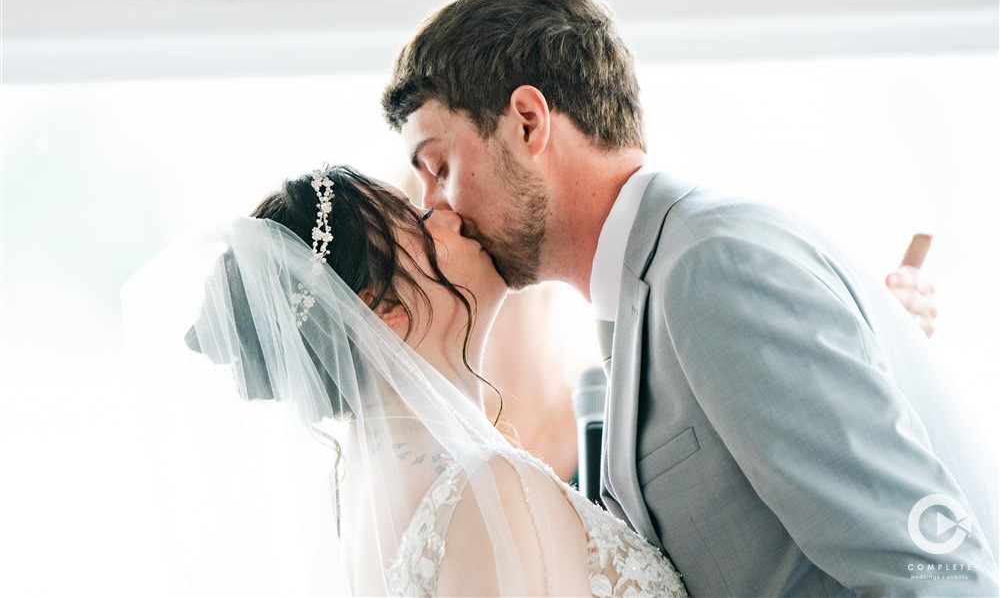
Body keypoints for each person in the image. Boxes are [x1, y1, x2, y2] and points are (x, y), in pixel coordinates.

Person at [382, 0, 998, 596]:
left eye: (439, 168)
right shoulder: (652, 287)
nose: (438, 210)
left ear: (527, 122)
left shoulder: (715, 268)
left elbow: (931, 574)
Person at [124, 165, 689, 596]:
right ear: (383, 306)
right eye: (419, 222)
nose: (447, 215)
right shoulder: (488, 484)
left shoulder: (359, 496)